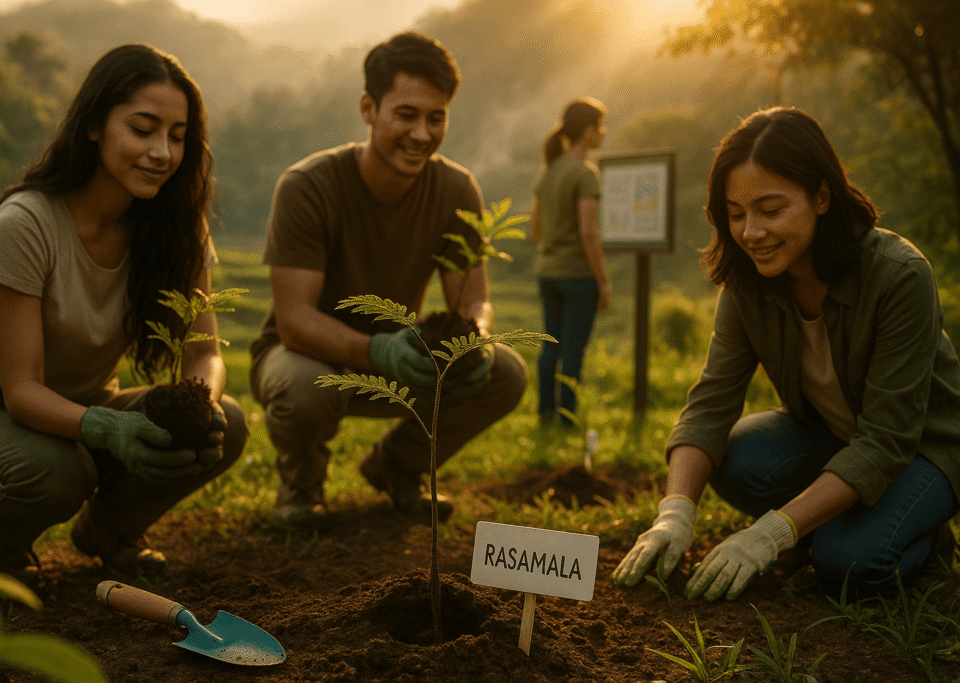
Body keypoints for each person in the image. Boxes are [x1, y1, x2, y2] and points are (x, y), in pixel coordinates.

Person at [611, 106, 960, 601]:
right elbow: (711, 402)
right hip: (835, 436)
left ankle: (922, 536)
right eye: (736, 214)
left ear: (821, 196)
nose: (751, 232)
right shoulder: (746, 283)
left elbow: (886, 441)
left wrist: (769, 535)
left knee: (849, 565)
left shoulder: (899, 275)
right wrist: (676, 511)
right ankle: (839, 520)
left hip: (922, 450)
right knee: (734, 454)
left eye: (771, 211)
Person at [0, 44, 247, 583]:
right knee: (57, 471)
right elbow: (22, 391)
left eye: (177, 137)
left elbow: (203, 352)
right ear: (94, 127)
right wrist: (104, 428)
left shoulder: (176, 229)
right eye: (143, 129)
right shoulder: (27, 223)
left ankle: (108, 530)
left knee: (230, 424)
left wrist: (205, 402)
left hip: (86, 406)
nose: (162, 153)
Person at [249, 31, 528, 525]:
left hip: (406, 360)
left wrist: (477, 337)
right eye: (406, 114)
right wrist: (380, 351)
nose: (422, 133)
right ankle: (303, 485)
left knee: (503, 372)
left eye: (436, 117)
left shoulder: (457, 189)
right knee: (302, 383)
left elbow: (473, 300)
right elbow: (293, 321)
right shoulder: (308, 187)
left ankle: (397, 469)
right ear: (368, 108)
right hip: (308, 357)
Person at [530, 97, 612, 427]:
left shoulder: (548, 171)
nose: (603, 133)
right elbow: (588, 233)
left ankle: (545, 412)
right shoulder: (584, 174)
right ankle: (567, 419)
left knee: (551, 344)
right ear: (588, 131)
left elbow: (535, 224)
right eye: (600, 126)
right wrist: (603, 281)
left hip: (547, 272)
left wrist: (549, 252)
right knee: (572, 350)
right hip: (577, 277)